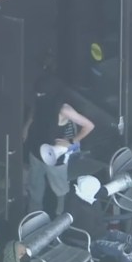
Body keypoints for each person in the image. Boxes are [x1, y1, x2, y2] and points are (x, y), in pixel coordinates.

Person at [23, 74, 95, 216]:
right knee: (35, 187)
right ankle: (34, 217)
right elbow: (34, 112)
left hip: (54, 156)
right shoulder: (40, 100)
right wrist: (26, 127)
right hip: (36, 151)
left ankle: (61, 218)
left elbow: (89, 125)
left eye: (41, 93)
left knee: (61, 191)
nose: (38, 95)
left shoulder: (64, 109)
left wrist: (72, 141)